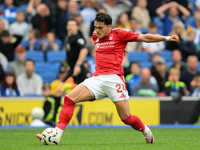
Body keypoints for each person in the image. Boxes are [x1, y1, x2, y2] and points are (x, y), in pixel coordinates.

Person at [36, 12, 179, 144]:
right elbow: (106, 48)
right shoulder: (94, 36)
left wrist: (167, 38)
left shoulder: (120, 34)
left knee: (127, 118)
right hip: (97, 78)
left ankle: (145, 130)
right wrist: (120, 48)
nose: (97, 31)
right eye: (95, 27)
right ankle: (57, 135)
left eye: (100, 28)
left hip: (114, 79)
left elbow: (145, 37)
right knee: (69, 99)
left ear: (109, 27)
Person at [63, 19, 88, 84]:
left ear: (77, 27)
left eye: (73, 25)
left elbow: (84, 50)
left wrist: (77, 65)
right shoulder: (69, 38)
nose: (70, 27)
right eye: (69, 25)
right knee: (62, 90)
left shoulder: (77, 38)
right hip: (72, 69)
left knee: (60, 90)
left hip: (78, 71)